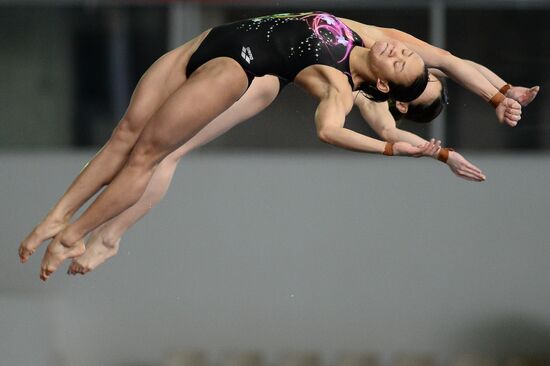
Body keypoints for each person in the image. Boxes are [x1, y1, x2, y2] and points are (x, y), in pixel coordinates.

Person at [18, 11, 526, 281]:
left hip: (246, 72)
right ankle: (57, 218)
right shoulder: (371, 36)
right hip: (214, 39)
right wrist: (503, 93)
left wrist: (430, 152)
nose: (400, 50)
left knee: (158, 152)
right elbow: (454, 60)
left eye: (402, 63)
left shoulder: (347, 90)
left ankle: (89, 234)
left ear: (393, 92)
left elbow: (354, 131)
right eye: (408, 55)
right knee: (126, 137)